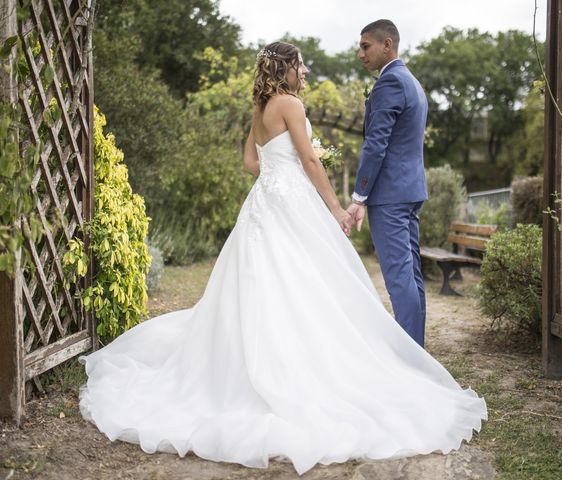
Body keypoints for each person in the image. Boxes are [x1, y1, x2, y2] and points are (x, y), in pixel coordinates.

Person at [78, 40, 487, 476]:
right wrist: (332, 205)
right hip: (294, 204)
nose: (306, 71)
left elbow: (250, 163)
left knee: (265, 283)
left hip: (264, 204)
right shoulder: (290, 103)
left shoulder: (259, 109)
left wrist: (280, 168)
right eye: (301, 64)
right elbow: (310, 159)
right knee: (311, 282)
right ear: (286, 68)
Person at [347, 19, 428, 347]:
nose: (360, 54)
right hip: (410, 191)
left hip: (390, 196)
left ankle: (410, 356)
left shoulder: (390, 83)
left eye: (366, 46)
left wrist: (359, 195)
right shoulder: (411, 82)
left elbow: (376, 144)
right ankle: (416, 349)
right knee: (412, 275)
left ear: (387, 45)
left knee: (398, 277)